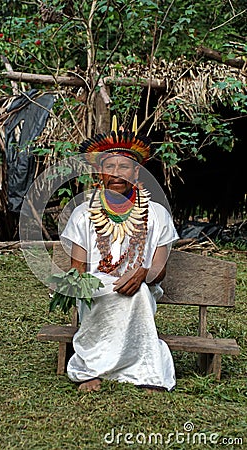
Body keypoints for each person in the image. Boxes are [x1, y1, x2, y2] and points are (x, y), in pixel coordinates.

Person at [60, 118, 179, 392]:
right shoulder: (83, 214)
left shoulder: (157, 215)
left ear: (136, 174)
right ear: (99, 174)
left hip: (140, 287)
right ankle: (91, 369)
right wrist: (77, 287)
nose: (116, 173)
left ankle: (147, 371)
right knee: (103, 289)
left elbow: (160, 268)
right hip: (97, 286)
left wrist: (143, 273)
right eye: (109, 167)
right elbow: (78, 268)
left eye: (124, 167)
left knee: (137, 294)